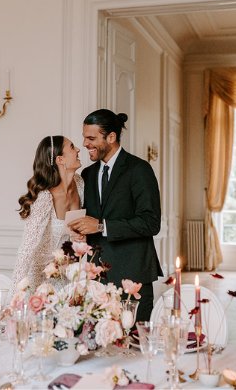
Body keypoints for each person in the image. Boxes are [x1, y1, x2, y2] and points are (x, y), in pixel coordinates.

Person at [73, 109, 162, 323]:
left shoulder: (139, 169)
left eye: (91, 138)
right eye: (85, 137)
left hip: (132, 275)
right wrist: (80, 232)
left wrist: (102, 227)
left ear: (111, 137)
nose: (85, 143)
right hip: (97, 278)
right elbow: (89, 220)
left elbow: (151, 222)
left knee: (134, 348)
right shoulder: (87, 174)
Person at [12, 134, 85, 290]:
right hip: (42, 280)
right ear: (60, 160)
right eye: (72, 147)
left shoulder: (79, 184)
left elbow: (76, 237)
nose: (78, 149)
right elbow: (26, 249)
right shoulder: (44, 198)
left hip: (69, 276)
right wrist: (13, 297)